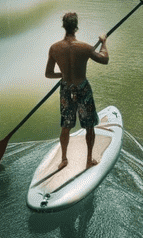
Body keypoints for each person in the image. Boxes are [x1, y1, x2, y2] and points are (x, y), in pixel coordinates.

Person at [45, 10, 110, 169]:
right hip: (83, 89)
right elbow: (105, 59)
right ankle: (89, 160)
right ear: (76, 28)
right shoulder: (85, 47)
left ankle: (64, 160)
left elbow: (49, 74)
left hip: (66, 90)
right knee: (89, 126)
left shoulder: (54, 48)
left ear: (64, 27)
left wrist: (65, 74)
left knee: (65, 126)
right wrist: (103, 42)